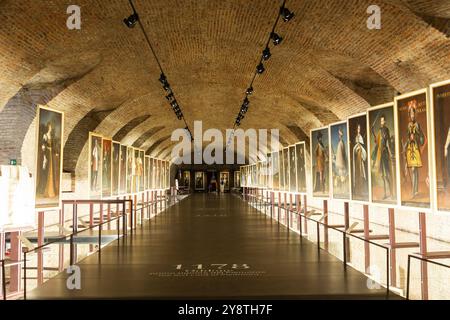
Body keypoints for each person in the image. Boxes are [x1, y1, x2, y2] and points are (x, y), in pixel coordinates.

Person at [404, 100, 426, 198]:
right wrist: (407, 141)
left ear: (415, 114)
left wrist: (416, 137)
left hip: (416, 148)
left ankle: (415, 191)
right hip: (410, 149)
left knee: (414, 170)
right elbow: (408, 137)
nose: (412, 115)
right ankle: (414, 191)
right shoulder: (408, 125)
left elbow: (421, 137)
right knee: (413, 170)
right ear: (409, 114)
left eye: (413, 113)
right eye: (411, 113)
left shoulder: (417, 125)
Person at [371, 114, 394, 199]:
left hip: (385, 153)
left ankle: (391, 193)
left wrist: (390, 152)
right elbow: (377, 141)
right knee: (383, 176)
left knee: (387, 174)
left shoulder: (386, 130)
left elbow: (388, 142)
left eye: (383, 121)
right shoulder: (380, 130)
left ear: (385, 121)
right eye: (381, 121)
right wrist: (373, 132)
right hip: (380, 154)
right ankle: (385, 193)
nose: (381, 122)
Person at [39, 121, 58, 198]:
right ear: (47, 127)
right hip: (47, 154)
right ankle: (45, 190)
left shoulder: (51, 136)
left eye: (51, 127)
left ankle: (51, 190)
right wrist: (45, 152)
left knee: (51, 171)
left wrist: (56, 152)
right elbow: (43, 146)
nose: (50, 128)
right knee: (46, 171)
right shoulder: (45, 135)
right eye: (49, 127)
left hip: (51, 155)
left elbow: (53, 146)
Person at [352, 124, 367, 195]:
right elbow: (354, 150)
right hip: (357, 162)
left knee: (361, 174)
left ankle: (361, 190)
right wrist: (357, 147)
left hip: (360, 161)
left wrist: (360, 147)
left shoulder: (360, 137)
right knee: (357, 174)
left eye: (359, 128)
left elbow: (362, 150)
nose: (359, 130)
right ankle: (357, 190)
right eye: (358, 129)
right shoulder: (356, 137)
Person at [334, 127, 347, 194]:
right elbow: (339, 153)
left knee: (342, 177)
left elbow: (343, 153)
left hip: (341, 163)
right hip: (339, 163)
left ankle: (344, 190)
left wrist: (342, 162)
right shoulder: (340, 143)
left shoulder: (342, 142)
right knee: (340, 176)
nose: (339, 136)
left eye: (340, 134)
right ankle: (342, 189)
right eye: (339, 135)